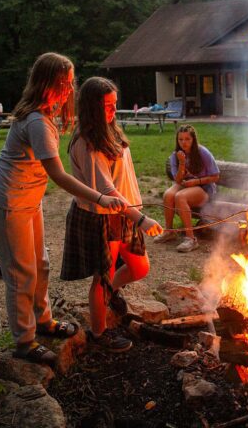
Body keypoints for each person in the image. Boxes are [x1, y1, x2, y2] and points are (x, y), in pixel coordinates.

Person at [0, 53, 125, 366]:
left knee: (40, 265)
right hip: (7, 202)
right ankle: (25, 341)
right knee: (21, 274)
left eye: (71, 82)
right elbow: (59, 176)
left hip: (27, 200)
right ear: (48, 84)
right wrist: (101, 198)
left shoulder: (43, 115)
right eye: (65, 83)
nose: (70, 89)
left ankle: (44, 321)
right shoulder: (36, 121)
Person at [61, 77, 163, 352]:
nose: (113, 111)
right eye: (107, 106)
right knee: (102, 278)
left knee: (139, 267)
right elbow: (106, 189)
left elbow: (124, 177)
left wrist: (137, 211)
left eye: (114, 104)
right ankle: (98, 333)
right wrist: (141, 219)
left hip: (125, 213)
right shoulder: (87, 142)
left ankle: (109, 295)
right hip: (102, 216)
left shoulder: (110, 131)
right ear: (92, 107)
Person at [154, 124, 220, 252]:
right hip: (186, 185)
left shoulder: (202, 152)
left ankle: (191, 239)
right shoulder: (176, 156)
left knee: (180, 197)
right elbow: (178, 180)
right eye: (181, 139)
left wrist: (197, 181)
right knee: (168, 194)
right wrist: (182, 163)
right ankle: (169, 231)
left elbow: (216, 176)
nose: (184, 142)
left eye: (187, 139)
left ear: (193, 140)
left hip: (204, 188)